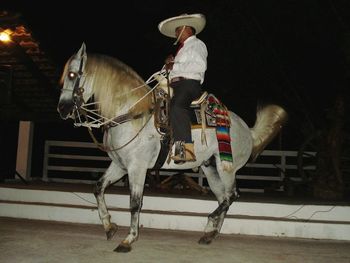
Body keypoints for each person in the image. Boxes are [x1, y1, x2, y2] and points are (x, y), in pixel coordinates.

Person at [158, 13, 208, 163]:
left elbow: (200, 66)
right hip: (175, 84)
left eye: (177, 30)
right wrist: (167, 66)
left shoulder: (197, 44)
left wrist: (175, 65)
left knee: (177, 107)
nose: (175, 33)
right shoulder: (182, 50)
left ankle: (184, 151)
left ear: (187, 29)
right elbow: (173, 70)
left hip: (189, 85)